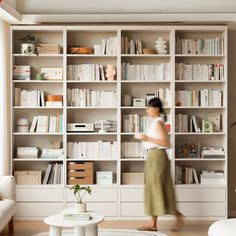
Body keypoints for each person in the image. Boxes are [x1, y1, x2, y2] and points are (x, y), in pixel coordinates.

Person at [135, 97, 184, 231]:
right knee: (156, 189)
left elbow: (166, 143)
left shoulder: (159, 122)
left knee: (157, 189)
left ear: (156, 109)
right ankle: (157, 223)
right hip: (153, 157)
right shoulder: (155, 122)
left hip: (158, 157)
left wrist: (146, 138)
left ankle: (154, 224)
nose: (147, 110)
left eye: (149, 107)